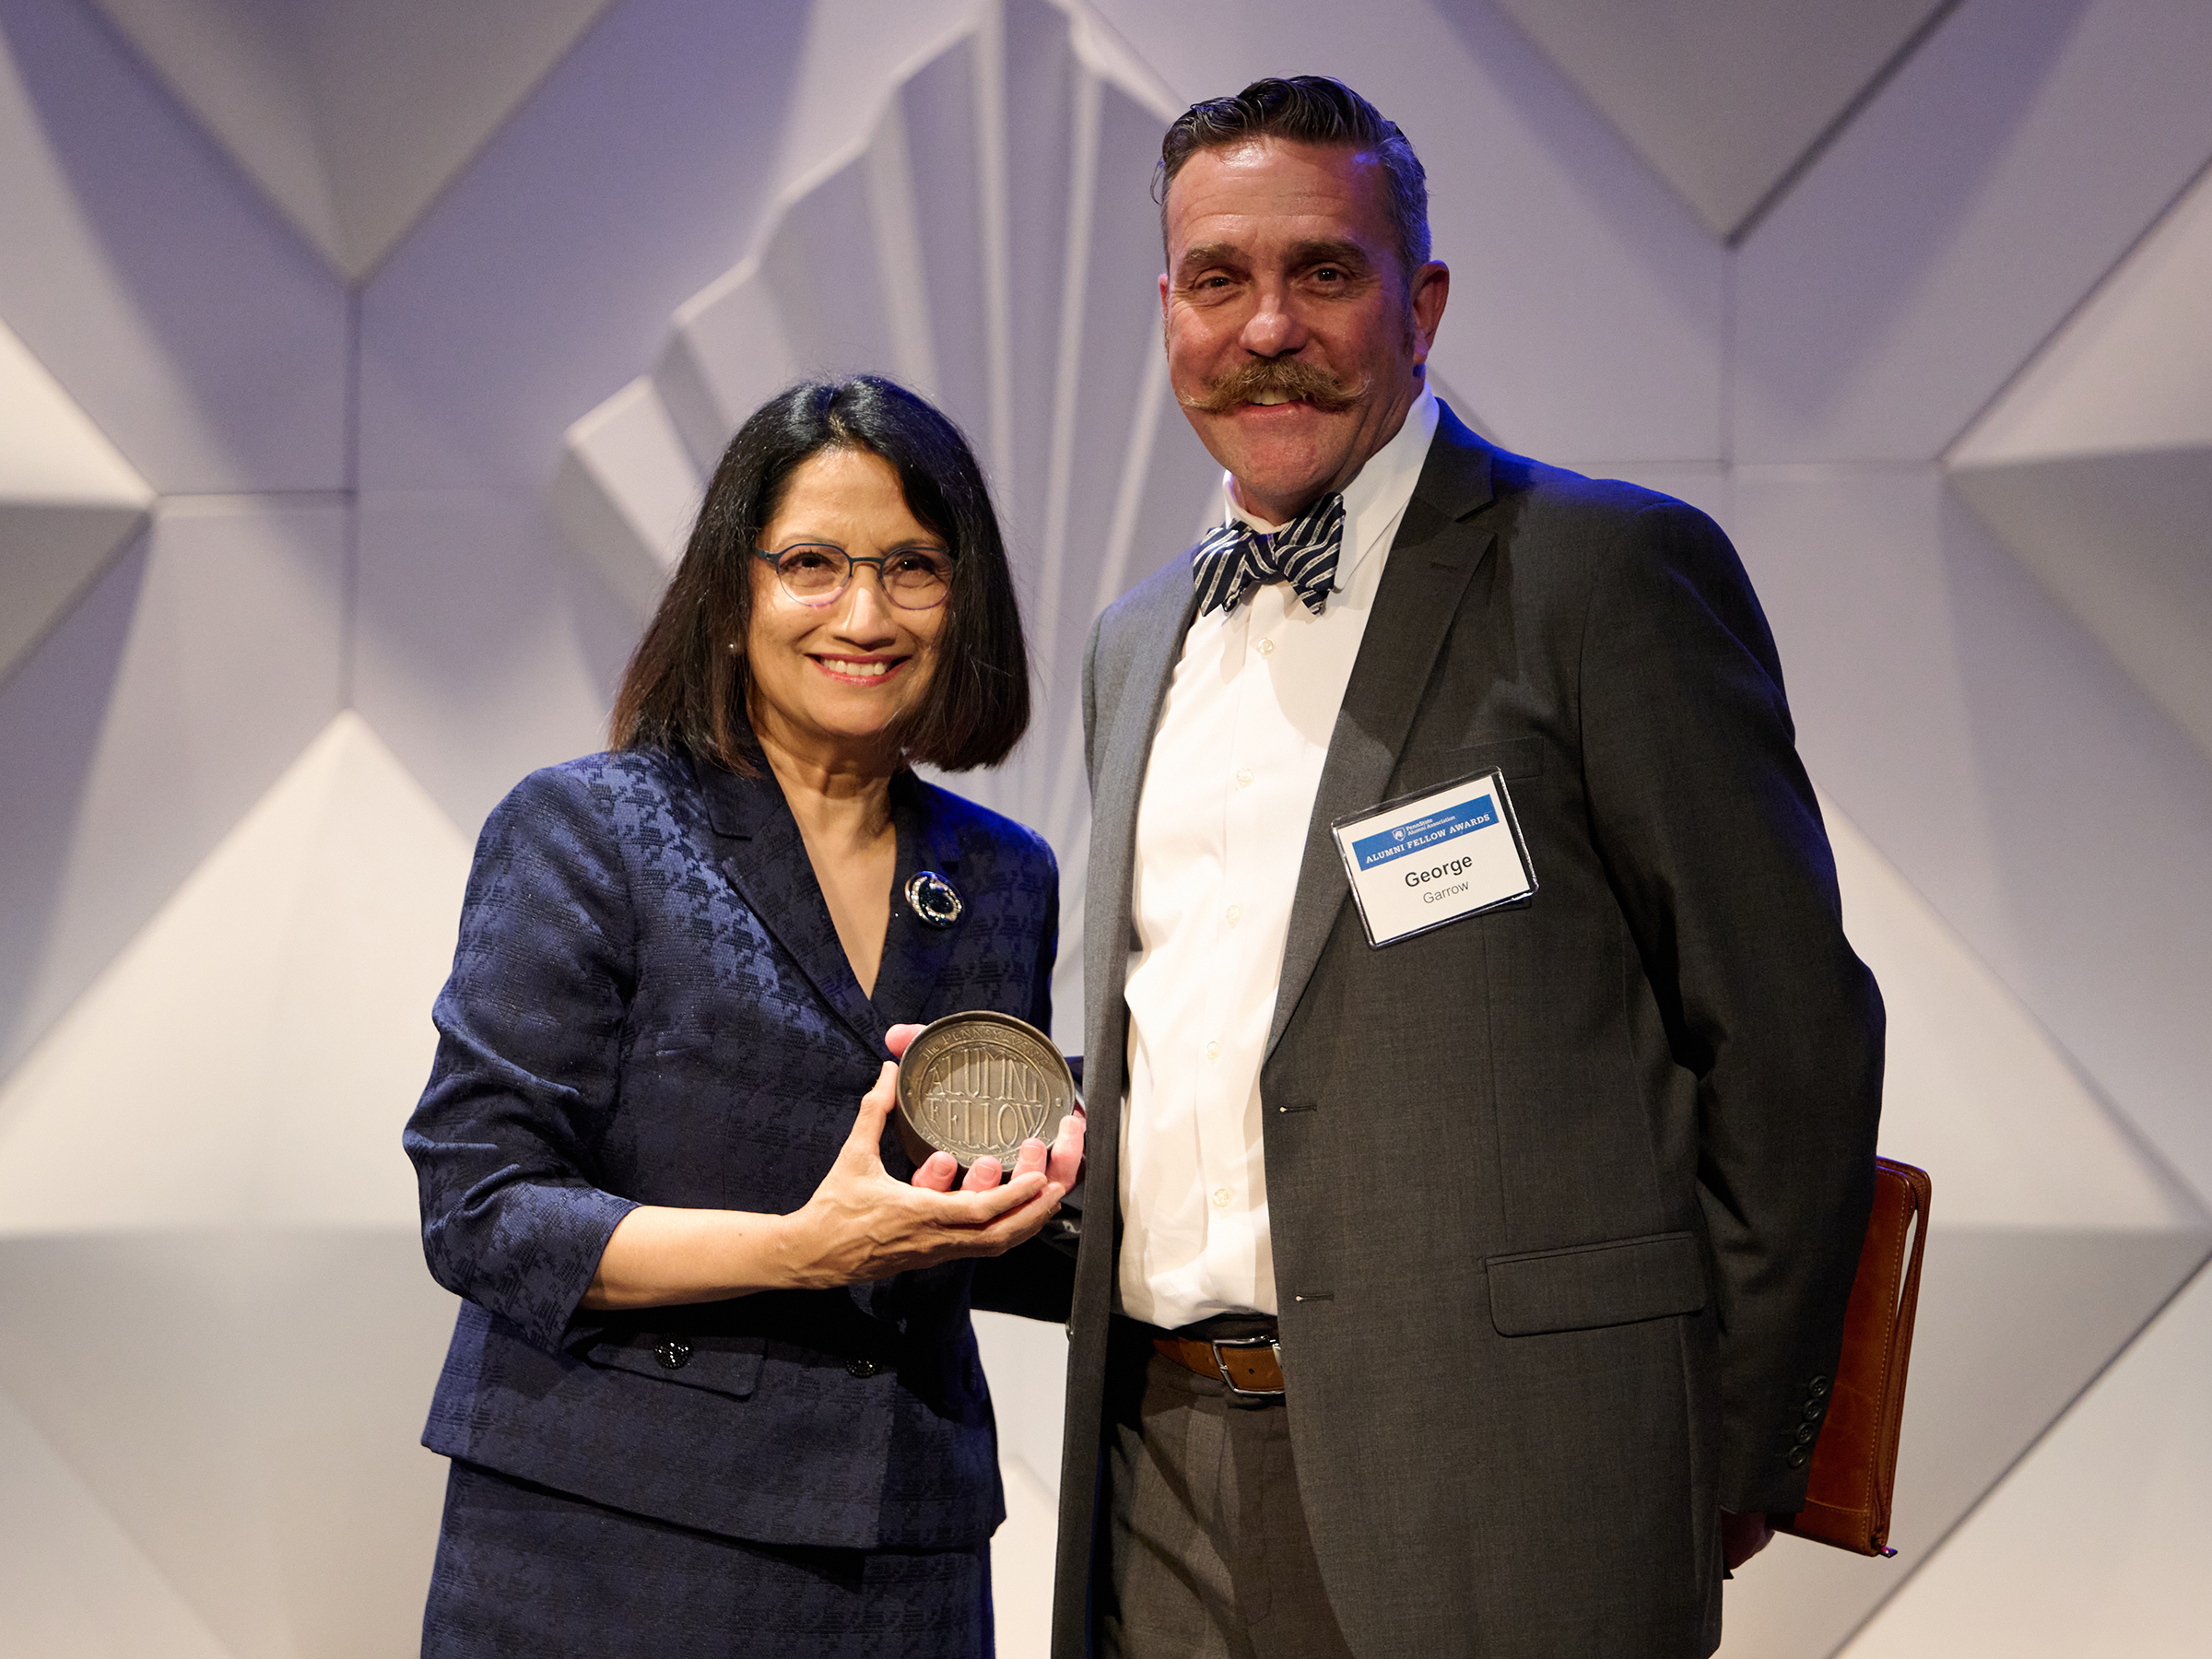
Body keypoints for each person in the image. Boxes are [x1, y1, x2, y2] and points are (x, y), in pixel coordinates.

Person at [1053, 77, 1885, 1659]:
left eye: (1326, 272)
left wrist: (1723, 1444)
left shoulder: (1600, 575)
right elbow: (1212, 1028)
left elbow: (1790, 1038)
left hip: (1525, 1481)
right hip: (1157, 1472)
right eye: (1219, 280)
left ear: (1420, 303)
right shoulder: (1134, 640)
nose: (1267, 326)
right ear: (1168, 311)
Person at [404, 375, 1082, 1658]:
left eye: (912, 567)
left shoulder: (1004, 875)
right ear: (732, 596)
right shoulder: (590, 830)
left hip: (906, 1551)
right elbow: (482, 1212)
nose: (864, 614)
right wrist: (796, 1251)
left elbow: (958, 1207)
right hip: (612, 1545)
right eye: (812, 564)